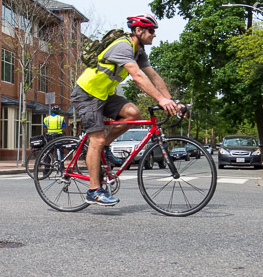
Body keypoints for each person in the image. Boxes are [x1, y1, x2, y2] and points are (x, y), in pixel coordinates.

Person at [71, 14, 181, 206]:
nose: (155, 35)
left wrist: (170, 100)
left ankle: (104, 146)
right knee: (95, 138)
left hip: (104, 94)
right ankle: (93, 191)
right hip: (87, 94)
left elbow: (153, 76)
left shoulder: (139, 52)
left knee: (133, 114)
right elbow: (137, 77)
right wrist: (160, 100)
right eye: (152, 31)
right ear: (138, 31)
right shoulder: (123, 46)